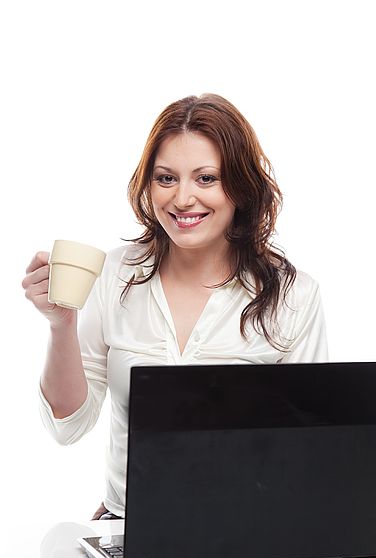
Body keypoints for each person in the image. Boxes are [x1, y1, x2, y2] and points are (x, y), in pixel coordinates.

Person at [22, 93, 328, 520]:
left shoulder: (294, 295)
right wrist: (61, 325)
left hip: (243, 526)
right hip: (126, 525)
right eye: (166, 178)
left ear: (241, 187)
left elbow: (305, 448)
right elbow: (69, 426)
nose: (183, 199)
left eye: (206, 179)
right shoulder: (115, 273)